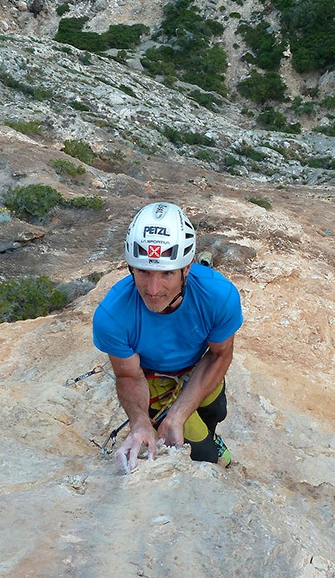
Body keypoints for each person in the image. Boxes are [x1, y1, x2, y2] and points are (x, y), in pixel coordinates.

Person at [92, 201, 243, 473]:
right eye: (143, 271)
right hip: (153, 380)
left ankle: (210, 432)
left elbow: (221, 354)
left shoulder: (218, 296)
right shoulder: (112, 316)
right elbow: (128, 376)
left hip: (196, 367)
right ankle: (208, 442)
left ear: (187, 268)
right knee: (204, 455)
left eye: (166, 274)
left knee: (216, 408)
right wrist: (140, 423)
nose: (153, 289)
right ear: (130, 268)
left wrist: (179, 414)